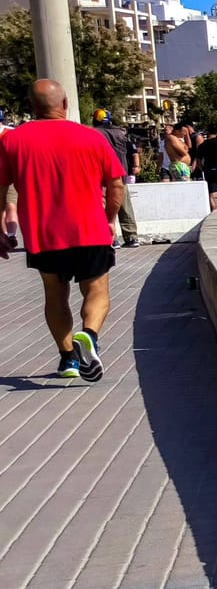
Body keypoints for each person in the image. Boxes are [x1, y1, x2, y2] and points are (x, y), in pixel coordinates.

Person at [0, 80, 126, 381]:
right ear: (65, 104)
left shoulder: (11, 141)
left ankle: (68, 359)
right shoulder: (92, 138)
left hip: (43, 235)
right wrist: (109, 217)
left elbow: (1, 188)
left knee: (55, 295)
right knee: (96, 291)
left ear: (31, 106)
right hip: (90, 230)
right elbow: (116, 184)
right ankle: (90, 337)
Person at [93, 111, 139, 248]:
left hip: (102, 178)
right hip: (121, 176)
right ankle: (131, 237)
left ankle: (111, 239)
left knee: (105, 208)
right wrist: (135, 166)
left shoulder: (94, 134)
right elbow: (134, 151)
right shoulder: (121, 133)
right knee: (125, 208)